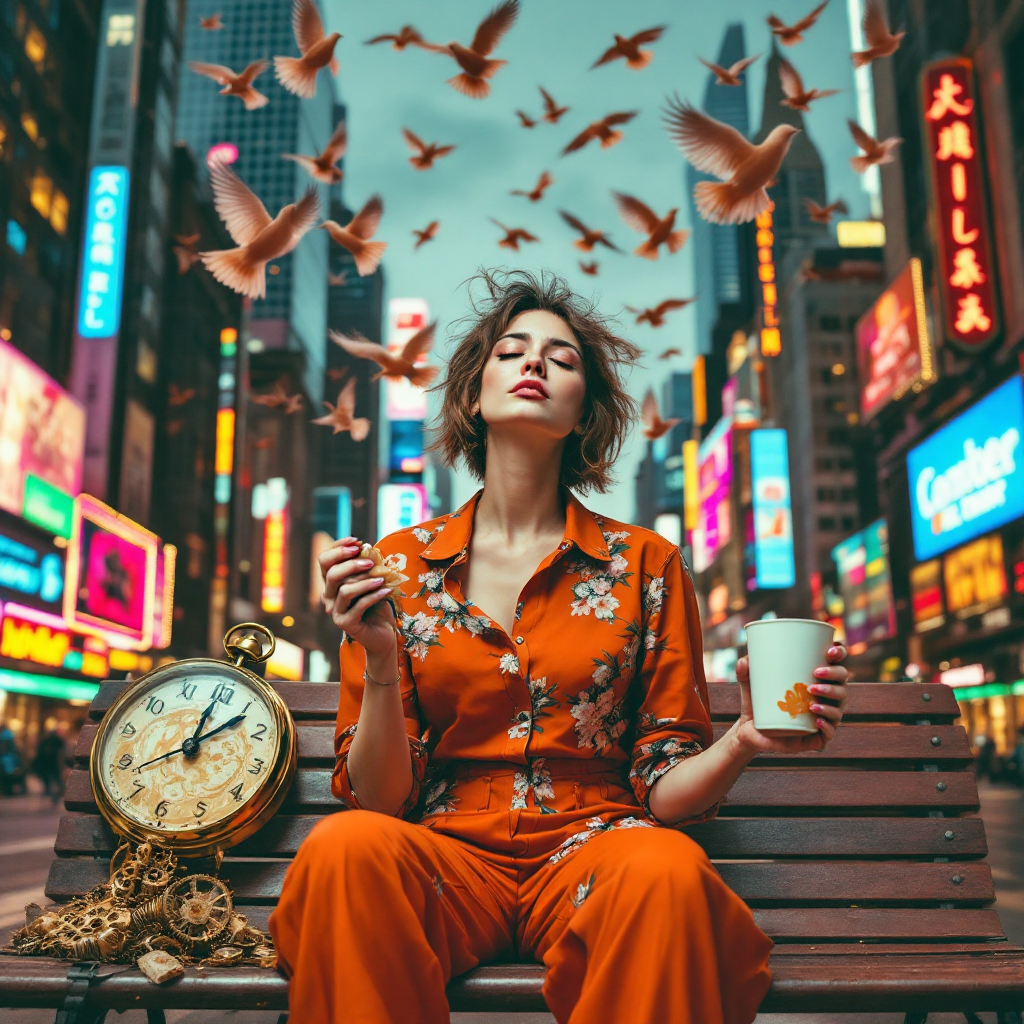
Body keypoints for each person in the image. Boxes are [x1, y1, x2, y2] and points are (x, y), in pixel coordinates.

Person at [269, 270, 848, 1024]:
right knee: (343, 850)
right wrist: (379, 659)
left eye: (562, 359)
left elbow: (665, 792)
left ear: (584, 413)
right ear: (475, 396)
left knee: (669, 870)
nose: (536, 364)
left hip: (600, 852)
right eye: (512, 352)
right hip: (444, 859)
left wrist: (742, 738)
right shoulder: (397, 567)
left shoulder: (648, 565)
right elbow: (381, 798)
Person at [32, 723, 67, 803]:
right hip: (51, 762)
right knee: (55, 777)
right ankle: (56, 789)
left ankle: (53, 790)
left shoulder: (46, 740)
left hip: (50, 762)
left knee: (53, 776)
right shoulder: (51, 740)